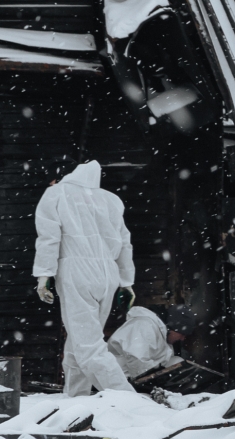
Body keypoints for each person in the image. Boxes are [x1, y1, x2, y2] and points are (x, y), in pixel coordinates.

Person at [32, 160, 136, 395]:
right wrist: (126, 282)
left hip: (76, 270)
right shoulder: (111, 199)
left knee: (89, 346)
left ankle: (127, 400)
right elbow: (125, 243)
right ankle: (76, 398)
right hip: (108, 273)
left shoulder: (56, 193)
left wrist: (44, 274)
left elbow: (49, 237)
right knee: (78, 341)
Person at [106, 304, 191, 381]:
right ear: (173, 327)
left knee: (177, 362)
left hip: (133, 376)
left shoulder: (162, 333)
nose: (182, 339)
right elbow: (136, 359)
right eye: (182, 334)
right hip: (118, 377)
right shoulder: (144, 325)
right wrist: (156, 381)